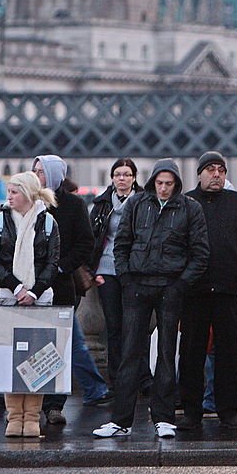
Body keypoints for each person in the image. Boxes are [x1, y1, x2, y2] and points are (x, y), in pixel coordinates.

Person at [93, 159, 209, 440]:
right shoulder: (137, 205)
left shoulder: (190, 208)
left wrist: (181, 283)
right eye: (160, 183)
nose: (164, 189)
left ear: (176, 184)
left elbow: (200, 252)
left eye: (169, 184)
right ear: (152, 182)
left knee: (167, 353)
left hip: (170, 285)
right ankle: (121, 419)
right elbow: (121, 244)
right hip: (137, 284)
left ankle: (164, 417)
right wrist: (127, 277)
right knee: (130, 352)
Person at [177, 151, 237, 432]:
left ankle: (229, 411)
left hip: (227, 288)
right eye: (211, 170)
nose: (217, 175)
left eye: (221, 170)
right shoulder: (186, 203)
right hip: (194, 289)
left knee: (228, 352)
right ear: (199, 174)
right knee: (191, 351)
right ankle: (191, 410)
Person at [31, 155, 106, 426]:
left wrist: (62, 268)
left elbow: (85, 243)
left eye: (41, 171)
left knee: (59, 348)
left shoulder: (73, 205)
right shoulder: (28, 201)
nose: (36, 174)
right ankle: (30, 404)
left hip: (61, 287)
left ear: (53, 175)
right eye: (34, 170)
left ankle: (54, 406)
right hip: (32, 287)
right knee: (35, 344)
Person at [0, 171, 61, 438]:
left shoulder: (49, 223)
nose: (9, 197)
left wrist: (35, 290)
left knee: (36, 360)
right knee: (10, 359)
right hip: (8, 297)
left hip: (39, 298)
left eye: (14, 192)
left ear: (28, 194)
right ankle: (14, 417)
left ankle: (31, 418)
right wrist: (17, 288)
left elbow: (53, 263)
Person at [89, 157, 144, 392]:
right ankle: (116, 379)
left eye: (127, 174)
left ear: (134, 178)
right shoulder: (102, 203)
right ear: (112, 178)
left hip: (133, 270)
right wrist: (92, 270)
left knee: (135, 325)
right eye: (118, 174)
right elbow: (91, 237)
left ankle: (138, 377)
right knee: (113, 326)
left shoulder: (143, 202)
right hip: (106, 269)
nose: (122, 179)